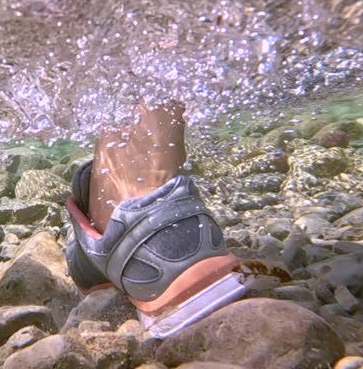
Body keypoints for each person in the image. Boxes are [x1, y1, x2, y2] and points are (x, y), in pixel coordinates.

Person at [64, 103, 246, 338]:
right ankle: (129, 193)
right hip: (156, 250)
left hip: (146, 244)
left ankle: (98, 214)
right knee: (133, 75)